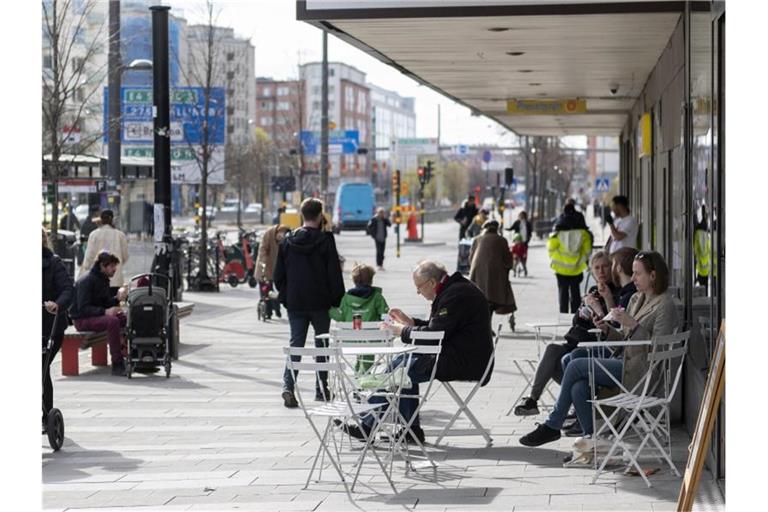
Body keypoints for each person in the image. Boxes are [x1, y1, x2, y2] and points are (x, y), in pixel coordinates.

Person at [519, 251, 678, 447]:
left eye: (638, 274)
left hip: (642, 372)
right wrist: (607, 330)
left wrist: (633, 324)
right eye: (633, 273)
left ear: (653, 275)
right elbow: (624, 339)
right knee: (578, 385)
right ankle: (592, 442)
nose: (633, 278)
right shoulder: (637, 298)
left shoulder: (665, 305)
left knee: (576, 365)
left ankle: (553, 425)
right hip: (625, 361)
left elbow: (658, 348)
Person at [341, 260, 494, 444]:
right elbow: (440, 327)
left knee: (401, 370)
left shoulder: (455, 295)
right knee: (402, 364)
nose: (418, 292)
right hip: (460, 354)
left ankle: (371, 425)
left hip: (465, 361)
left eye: (419, 287)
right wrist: (411, 323)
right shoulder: (453, 289)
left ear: (432, 282)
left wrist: (401, 331)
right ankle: (408, 430)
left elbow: (435, 334)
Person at [512, 251, 616, 418]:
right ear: (592, 271)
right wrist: (582, 311)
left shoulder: (615, 292)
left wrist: (599, 307)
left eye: (605, 266)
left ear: (612, 268)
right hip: (577, 342)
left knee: (564, 360)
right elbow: (576, 322)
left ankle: (576, 403)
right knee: (552, 350)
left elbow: (612, 325)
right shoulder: (593, 290)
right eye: (597, 268)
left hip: (595, 348)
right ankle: (532, 400)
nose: (601, 271)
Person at [274, 198, 345, 408]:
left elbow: (278, 276)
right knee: (321, 345)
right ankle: (321, 389)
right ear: (320, 215)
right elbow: (334, 273)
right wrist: (337, 299)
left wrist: (286, 297)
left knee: (296, 344)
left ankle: (288, 386)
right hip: (320, 302)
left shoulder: (288, 241)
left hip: (296, 302)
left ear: (301, 215)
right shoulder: (325, 241)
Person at [69, 252, 129, 376]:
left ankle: (127, 353)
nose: (114, 269)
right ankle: (117, 363)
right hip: (81, 320)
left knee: (125, 318)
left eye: (115, 266)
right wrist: (105, 312)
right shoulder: (87, 280)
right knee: (113, 321)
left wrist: (117, 299)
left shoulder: (102, 279)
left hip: (94, 316)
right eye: (112, 266)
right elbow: (83, 308)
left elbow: (105, 303)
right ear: (102, 266)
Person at [329, 263, 390, 372]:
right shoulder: (377, 297)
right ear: (371, 279)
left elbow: (340, 317)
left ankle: (359, 374)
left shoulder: (346, 298)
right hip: (372, 339)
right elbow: (385, 315)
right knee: (368, 345)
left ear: (354, 280)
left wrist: (328, 309)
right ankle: (363, 375)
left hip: (350, 339)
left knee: (360, 340)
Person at [42, 228, 74, 429]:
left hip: (50, 327)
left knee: (41, 368)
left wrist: (57, 304)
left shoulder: (54, 263)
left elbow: (68, 290)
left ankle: (47, 416)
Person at [548, 203, 593, 314]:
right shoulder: (584, 234)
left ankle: (563, 313)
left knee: (563, 292)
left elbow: (551, 247)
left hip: (560, 268)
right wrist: (581, 261)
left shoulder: (558, 233)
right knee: (575, 292)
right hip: (577, 268)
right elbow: (587, 251)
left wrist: (556, 258)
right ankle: (575, 314)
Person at [469, 220, 516, 315]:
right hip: (495, 273)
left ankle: (484, 318)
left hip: (477, 273)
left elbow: (470, 258)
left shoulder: (477, 239)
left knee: (481, 297)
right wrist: (508, 267)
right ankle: (488, 319)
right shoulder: (501, 240)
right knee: (493, 297)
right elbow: (507, 259)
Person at [80, 209, 129, 294]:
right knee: (113, 300)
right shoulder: (120, 235)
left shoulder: (94, 235)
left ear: (101, 220)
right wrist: (114, 266)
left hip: (97, 280)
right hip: (115, 280)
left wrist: (88, 269)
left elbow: (88, 258)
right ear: (112, 220)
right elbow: (125, 256)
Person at [255, 224, 290, 318]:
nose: (281, 238)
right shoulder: (268, 234)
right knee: (265, 290)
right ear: (277, 231)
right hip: (264, 266)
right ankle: (268, 311)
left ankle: (277, 309)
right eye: (280, 236)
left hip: (276, 268)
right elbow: (262, 249)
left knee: (274, 291)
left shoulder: (285, 239)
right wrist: (264, 261)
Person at [693, 205, 711, 292]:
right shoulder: (706, 232)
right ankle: (706, 293)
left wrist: (695, 254)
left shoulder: (697, 233)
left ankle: (702, 291)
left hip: (700, 262)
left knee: (701, 280)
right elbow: (708, 245)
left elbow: (695, 248)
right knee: (705, 282)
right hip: (706, 261)